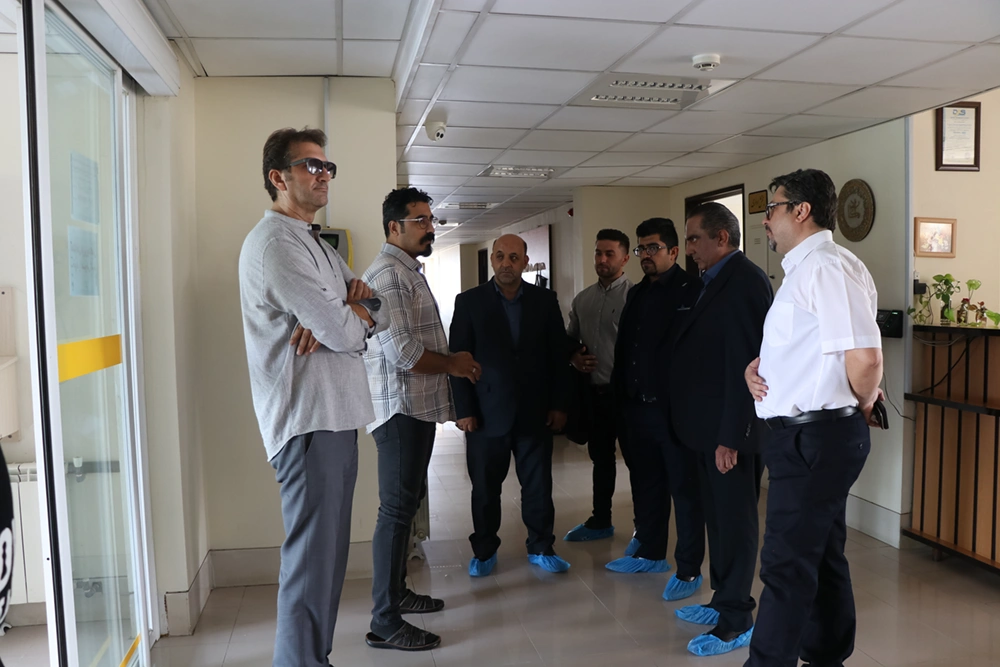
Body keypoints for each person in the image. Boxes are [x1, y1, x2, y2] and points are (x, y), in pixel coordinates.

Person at [238, 127, 381, 667]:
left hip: (335, 417)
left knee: (327, 562)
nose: (323, 175)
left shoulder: (312, 241)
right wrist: (345, 315)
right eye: (311, 166)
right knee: (311, 566)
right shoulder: (276, 244)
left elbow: (375, 304)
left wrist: (352, 310)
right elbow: (343, 330)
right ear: (278, 177)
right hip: (308, 423)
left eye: (327, 167)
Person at [744, 169, 883, 667]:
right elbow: (810, 349)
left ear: (801, 211)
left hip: (816, 437)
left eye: (772, 207)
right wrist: (758, 372)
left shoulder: (825, 267)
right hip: (808, 435)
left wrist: (861, 402)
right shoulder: (809, 269)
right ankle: (826, 655)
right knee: (821, 554)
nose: (766, 219)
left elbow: (865, 358)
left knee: (785, 565)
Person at [362, 187, 481, 652]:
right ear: (394, 227)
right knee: (395, 511)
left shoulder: (406, 271)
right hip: (400, 411)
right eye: (420, 220)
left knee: (405, 507)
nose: (430, 227)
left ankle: (397, 595)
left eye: (432, 219)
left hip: (414, 409)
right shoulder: (390, 275)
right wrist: (454, 364)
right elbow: (403, 352)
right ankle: (384, 622)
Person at [666, 202, 772, 657]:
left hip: (731, 432)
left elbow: (747, 366)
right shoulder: (712, 280)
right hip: (706, 428)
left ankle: (737, 618)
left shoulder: (745, 282)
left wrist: (731, 436)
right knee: (717, 520)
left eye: (694, 239)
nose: (689, 248)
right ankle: (722, 597)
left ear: (722, 238)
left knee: (735, 522)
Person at [450, 234, 573, 575]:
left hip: (535, 412)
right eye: (501, 256)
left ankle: (541, 546)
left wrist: (559, 404)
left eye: (514, 257)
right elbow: (458, 359)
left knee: (538, 486)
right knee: (485, 490)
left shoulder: (544, 300)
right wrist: (464, 410)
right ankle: (484, 551)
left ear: (525, 262)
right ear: (492, 260)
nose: (507, 263)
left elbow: (558, 357)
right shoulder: (469, 302)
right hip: (486, 413)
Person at [606, 218, 703, 578]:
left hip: (674, 413)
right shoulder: (637, 293)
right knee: (646, 485)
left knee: (684, 491)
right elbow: (626, 349)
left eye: (653, 248)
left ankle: (688, 568)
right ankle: (650, 553)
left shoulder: (692, 291)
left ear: (673, 251)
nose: (645, 254)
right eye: (641, 248)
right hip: (636, 409)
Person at [563, 229, 634, 543]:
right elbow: (570, 341)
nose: (602, 259)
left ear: (625, 258)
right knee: (601, 461)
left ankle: (644, 529)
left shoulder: (635, 297)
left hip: (628, 397)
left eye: (609, 254)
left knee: (637, 463)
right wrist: (574, 358)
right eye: (598, 253)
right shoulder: (583, 300)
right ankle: (600, 520)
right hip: (595, 395)